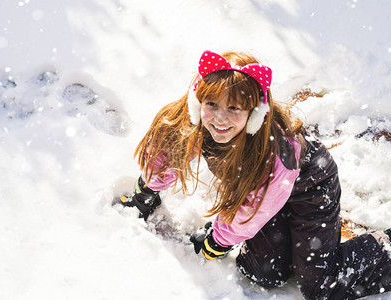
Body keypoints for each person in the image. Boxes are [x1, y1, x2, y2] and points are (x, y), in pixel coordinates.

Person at [117, 50, 391, 300]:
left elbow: (251, 211)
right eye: (212, 103)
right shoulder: (194, 119)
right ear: (197, 101)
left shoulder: (276, 154)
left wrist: (218, 240)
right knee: (263, 273)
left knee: (322, 286)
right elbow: (168, 153)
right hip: (266, 194)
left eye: (234, 108)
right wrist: (147, 191)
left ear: (255, 114)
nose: (220, 118)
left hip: (310, 186)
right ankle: (289, 239)